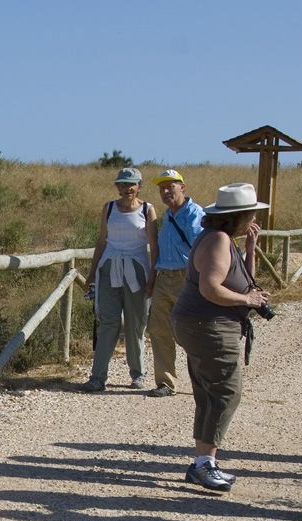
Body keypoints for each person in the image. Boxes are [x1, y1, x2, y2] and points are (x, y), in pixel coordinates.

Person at [170, 183, 271, 492]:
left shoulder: (221, 239)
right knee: (227, 392)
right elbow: (212, 288)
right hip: (209, 325)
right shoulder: (217, 240)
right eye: (252, 213)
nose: (255, 218)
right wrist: (247, 302)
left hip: (201, 324)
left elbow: (241, 283)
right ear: (239, 216)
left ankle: (203, 462)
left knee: (209, 393)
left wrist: (251, 251)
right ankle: (204, 465)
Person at [80, 167, 159, 392]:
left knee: (136, 323)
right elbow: (102, 240)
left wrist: (153, 276)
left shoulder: (147, 210)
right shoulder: (109, 208)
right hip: (110, 268)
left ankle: (138, 374)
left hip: (137, 270)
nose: (127, 189)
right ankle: (97, 377)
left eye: (131, 184)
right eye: (123, 184)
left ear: (139, 186)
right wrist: (93, 271)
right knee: (108, 322)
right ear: (118, 186)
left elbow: (154, 246)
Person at [146, 169, 205, 398]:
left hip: (187, 277)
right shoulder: (168, 216)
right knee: (159, 329)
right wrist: (153, 278)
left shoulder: (194, 213)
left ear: (183, 187)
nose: (166, 191)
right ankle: (165, 382)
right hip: (164, 277)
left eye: (171, 186)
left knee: (191, 330)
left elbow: (202, 247)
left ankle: (202, 380)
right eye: (162, 188)